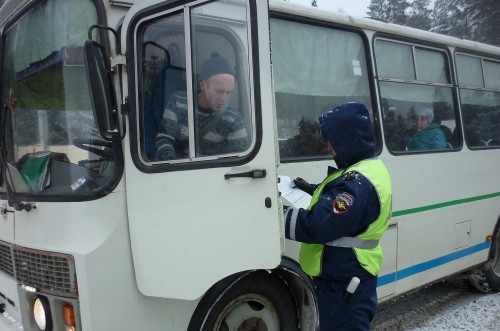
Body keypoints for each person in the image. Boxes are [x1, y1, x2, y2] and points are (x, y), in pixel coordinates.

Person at [283, 101, 393, 330]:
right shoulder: (363, 169)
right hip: (343, 278)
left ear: (347, 138)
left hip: (345, 282)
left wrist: (274, 217)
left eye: (332, 139)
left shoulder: (358, 183)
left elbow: (316, 226)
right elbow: (343, 208)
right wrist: (312, 190)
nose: (328, 146)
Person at [156, 52, 249, 160]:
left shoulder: (234, 119)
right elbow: (164, 138)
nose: (223, 98)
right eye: (219, 91)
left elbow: (238, 159)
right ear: (203, 85)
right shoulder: (178, 101)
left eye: (228, 92)